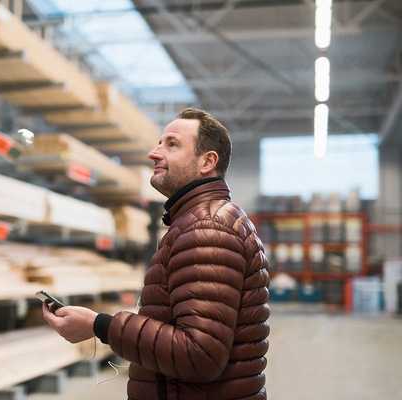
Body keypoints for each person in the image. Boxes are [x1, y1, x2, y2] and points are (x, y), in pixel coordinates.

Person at [42, 107, 270, 400]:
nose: (154, 153)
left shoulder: (207, 230)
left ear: (207, 162)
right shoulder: (203, 221)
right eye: (159, 142)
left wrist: (99, 325)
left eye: (171, 144)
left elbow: (199, 355)